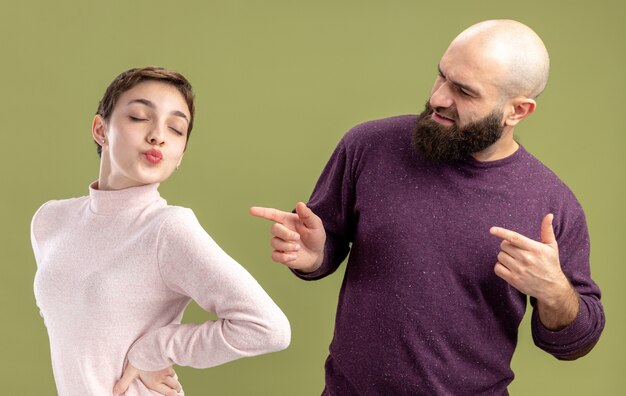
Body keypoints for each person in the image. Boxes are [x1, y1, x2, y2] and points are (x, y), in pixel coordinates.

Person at [251, 19, 605, 394]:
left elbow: (577, 341)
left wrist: (554, 291)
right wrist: (316, 253)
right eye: (441, 77)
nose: (438, 98)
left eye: (464, 92)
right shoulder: (368, 146)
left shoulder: (552, 204)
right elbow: (327, 243)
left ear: (517, 110)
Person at [31, 67, 291, 396]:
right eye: (140, 116)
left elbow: (268, 328)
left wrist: (155, 350)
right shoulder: (51, 221)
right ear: (101, 129)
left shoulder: (167, 228)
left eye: (176, 128)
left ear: (180, 155)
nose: (158, 135)